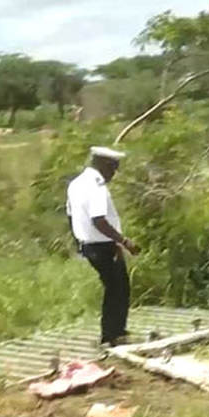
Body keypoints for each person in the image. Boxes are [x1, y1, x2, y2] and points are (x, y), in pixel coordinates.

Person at [66, 146, 141, 346]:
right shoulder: (97, 186)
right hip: (103, 246)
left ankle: (113, 332)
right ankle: (112, 335)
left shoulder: (75, 184)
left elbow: (71, 216)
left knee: (115, 286)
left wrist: (78, 243)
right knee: (117, 288)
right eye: (113, 169)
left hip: (89, 245)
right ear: (104, 165)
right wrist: (124, 242)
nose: (113, 175)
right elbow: (98, 220)